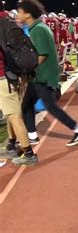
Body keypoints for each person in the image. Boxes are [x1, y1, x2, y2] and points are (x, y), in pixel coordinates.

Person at [17, 0, 78, 147]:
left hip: (43, 76)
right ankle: (32, 135)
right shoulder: (38, 27)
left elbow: (42, 55)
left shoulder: (38, 30)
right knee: (27, 105)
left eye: (19, 11)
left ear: (28, 14)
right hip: (39, 76)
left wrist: (26, 69)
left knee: (51, 107)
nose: (17, 14)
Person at [0, 11, 39, 166]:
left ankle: (29, 154)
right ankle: (11, 144)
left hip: (4, 77)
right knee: (10, 112)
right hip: (16, 75)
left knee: (14, 115)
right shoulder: (8, 22)